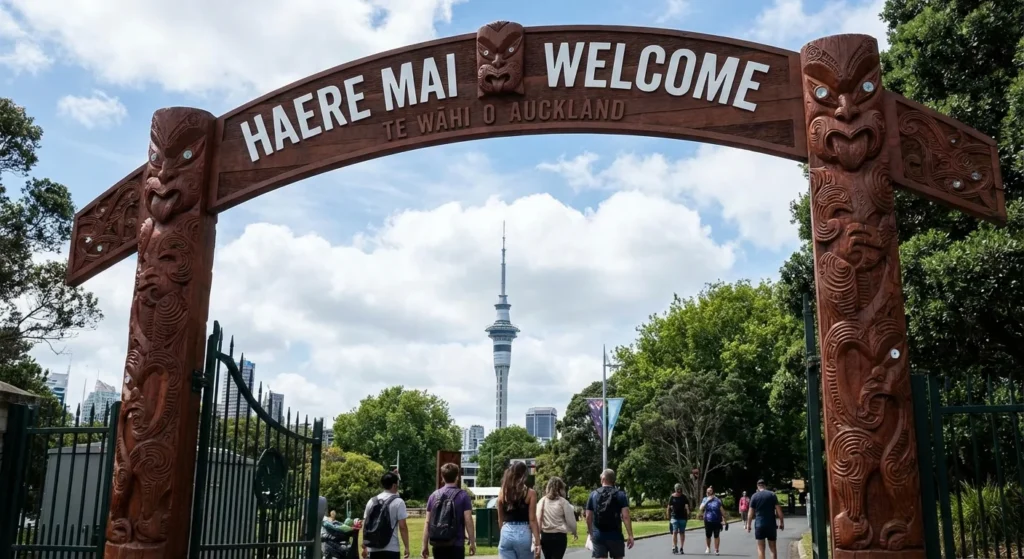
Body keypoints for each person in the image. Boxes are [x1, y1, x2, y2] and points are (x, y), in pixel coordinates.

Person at [422, 463, 476, 559]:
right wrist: (472, 542)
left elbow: (428, 522)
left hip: (438, 542)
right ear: (457, 476)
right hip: (456, 543)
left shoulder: (433, 496)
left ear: (442, 477)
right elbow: (468, 520)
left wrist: (424, 545)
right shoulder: (463, 496)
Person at [585, 469, 634, 559]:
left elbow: (588, 517)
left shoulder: (593, 495)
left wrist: (591, 533)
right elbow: (626, 516)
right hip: (615, 534)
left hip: (598, 534)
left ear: (603, 478)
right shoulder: (620, 495)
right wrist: (630, 535)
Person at [497, 461, 541, 559]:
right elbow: (532, 520)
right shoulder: (530, 493)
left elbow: (500, 519)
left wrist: (503, 533)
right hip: (524, 532)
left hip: (506, 531)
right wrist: (537, 542)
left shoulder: (503, 492)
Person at [362, 471, 411, 559]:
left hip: (373, 548)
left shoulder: (371, 501)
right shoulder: (398, 502)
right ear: (394, 485)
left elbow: (366, 525)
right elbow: (403, 526)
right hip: (391, 548)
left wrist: (365, 546)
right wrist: (406, 547)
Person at [536, 476, 577, 559]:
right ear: (560, 489)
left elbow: (538, 518)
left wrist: (537, 536)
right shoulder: (563, 502)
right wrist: (574, 531)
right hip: (559, 536)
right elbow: (570, 520)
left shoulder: (542, 501)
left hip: (546, 536)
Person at [745, 480, 785, 559]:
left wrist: (748, 525)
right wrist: (781, 522)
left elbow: (750, 513)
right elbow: (779, 510)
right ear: (765, 486)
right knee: (773, 548)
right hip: (771, 525)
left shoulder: (754, 496)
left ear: (757, 486)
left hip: (759, 524)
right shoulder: (772, 495)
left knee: (761, 548)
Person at [698, 487, 726, 556]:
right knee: (708, 535)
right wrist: (707, 500)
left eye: (710, 491)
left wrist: (725, 519)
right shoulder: (705, 499)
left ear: (713, 492)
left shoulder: (717, 500)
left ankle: (716, 549)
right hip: (708, 520)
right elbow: (701, 508)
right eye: (707, 491)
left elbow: (721, 510)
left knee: (716, 535)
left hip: (717, 520)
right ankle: (708, 547)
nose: (708, 492)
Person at [666, 483, 690, 555]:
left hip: (682, 517)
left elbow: (687, 506)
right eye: (677, 489)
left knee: (682, 532)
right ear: (675, 489)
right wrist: (668, 516)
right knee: (675, 532)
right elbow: (668, 507)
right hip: (674, 517)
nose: (679, 490)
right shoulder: (672, 497)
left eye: (680, 489)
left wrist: (688, 512)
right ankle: (674, 546)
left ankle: (681, 547)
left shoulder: (684, 497)